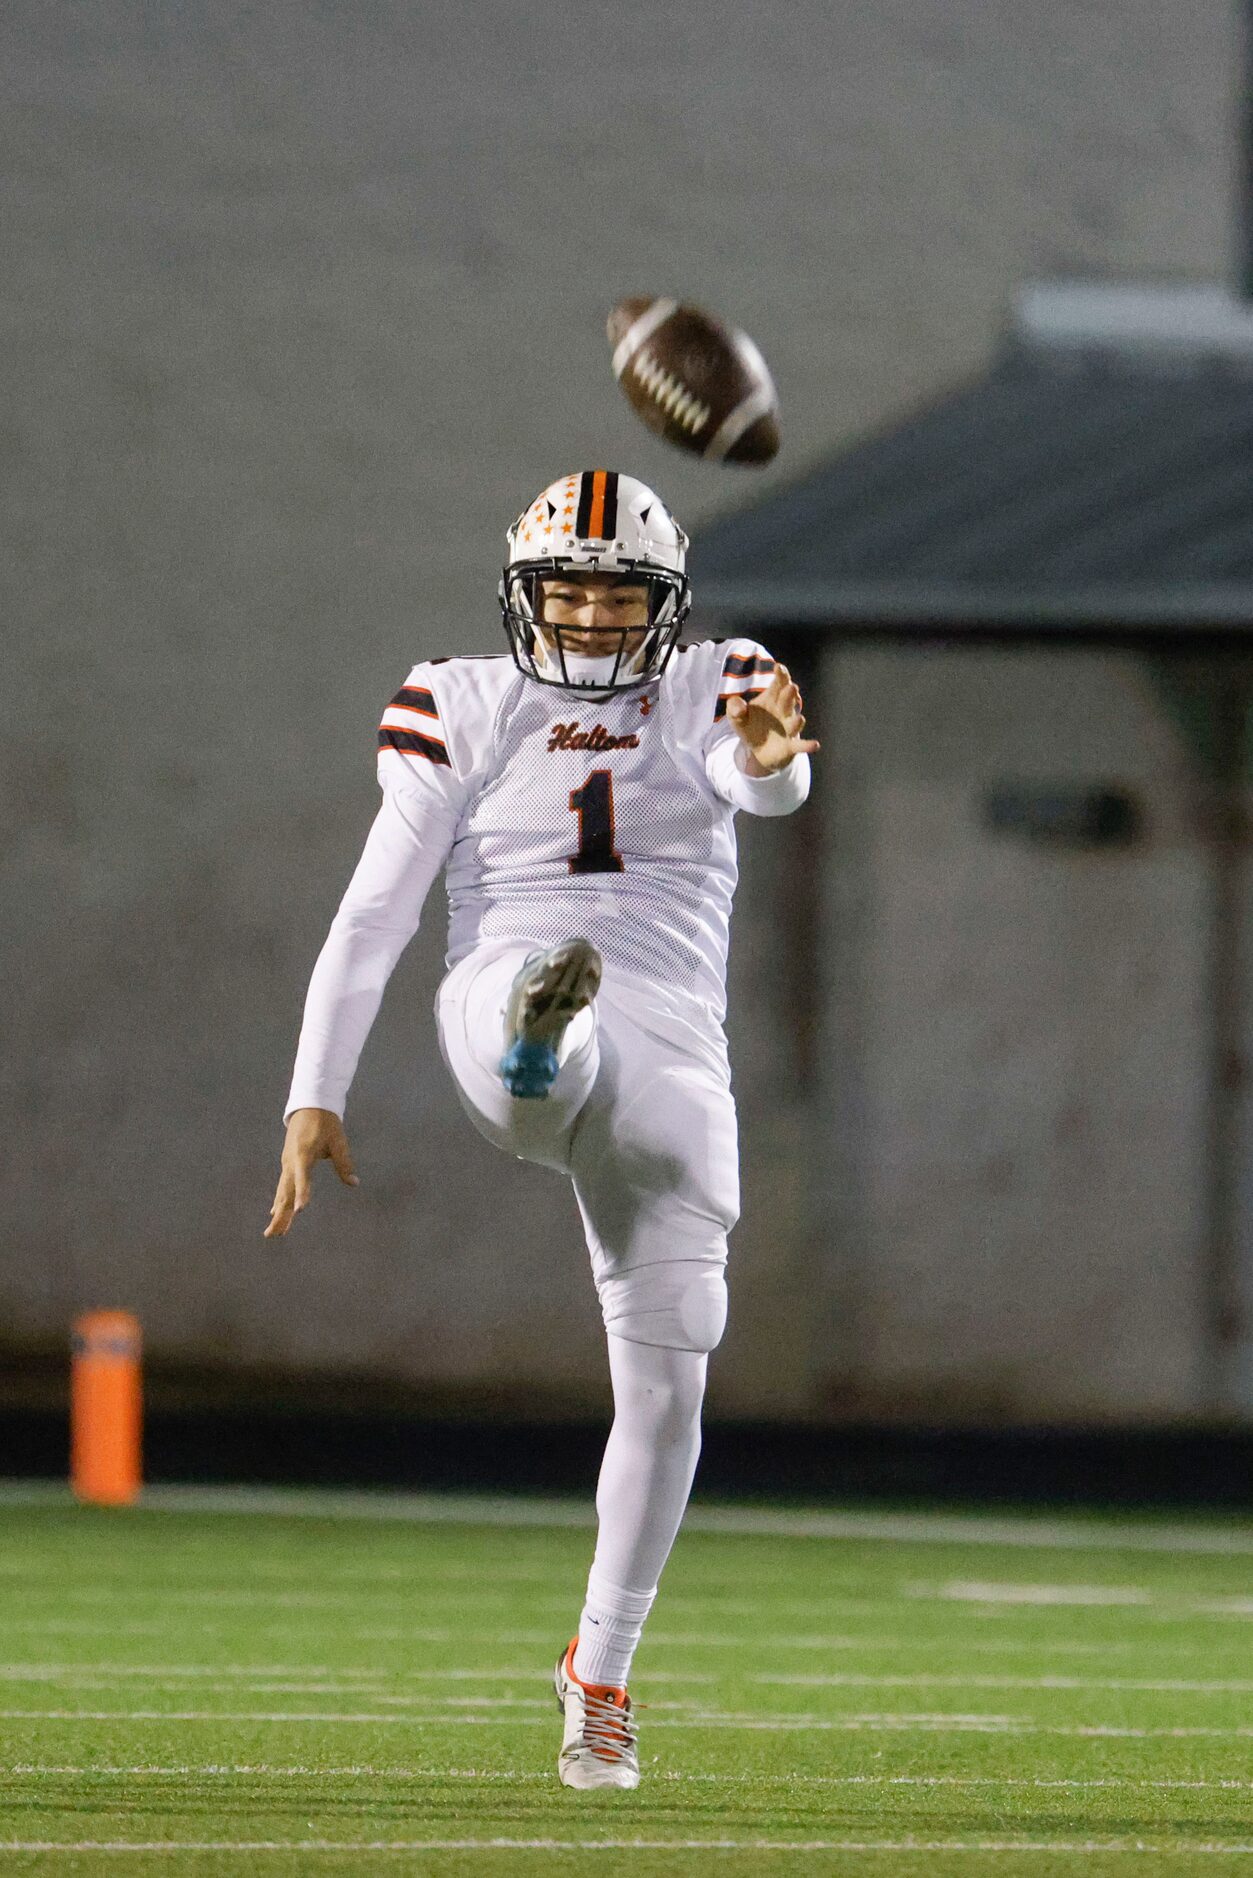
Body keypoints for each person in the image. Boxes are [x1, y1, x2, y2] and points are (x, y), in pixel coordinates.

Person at [266, 469, 817, 1789]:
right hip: (495, 983)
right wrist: (312, 1088)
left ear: (662, 601)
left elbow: (767, 793)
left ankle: (600, 1672)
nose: (581, 609)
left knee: (676, 1368)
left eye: (611, 589)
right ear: (521, 591)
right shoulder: (460, 697)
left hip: (670, 1036)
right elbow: (376, 911)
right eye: (562, 585)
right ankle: (537, 1031)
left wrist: (770, 752)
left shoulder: (715, 679)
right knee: (536, 1034)